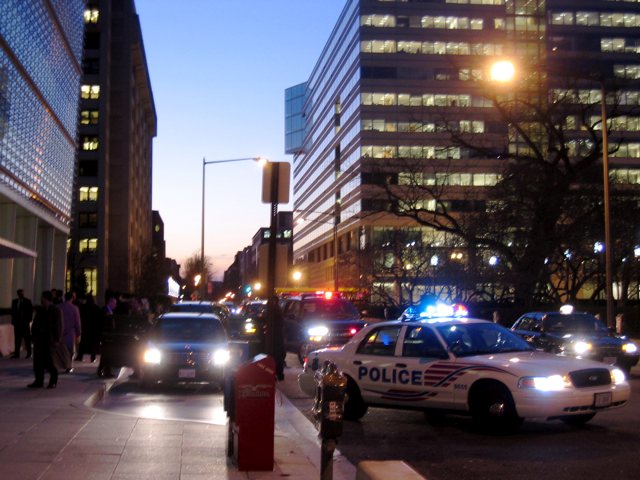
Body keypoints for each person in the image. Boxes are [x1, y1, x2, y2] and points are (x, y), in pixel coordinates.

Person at [28, 291, 63, 389]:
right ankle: (38, 381)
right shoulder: (41, 310)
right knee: (38, 362)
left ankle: (53, 381)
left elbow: (59, 325)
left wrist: (57, 339)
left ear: (45, 298)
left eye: (42, 297)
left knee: (49, 361)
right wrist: (33, 335)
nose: (40, 299)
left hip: (50, 340)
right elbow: (35, 324)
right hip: (39, 340)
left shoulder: (56, 310)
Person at [59, 291, 82, 372]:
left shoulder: (59, 307)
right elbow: (77, 322)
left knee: (61, 349)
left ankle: (60, 364)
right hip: (70, 333)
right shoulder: (75, 308)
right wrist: (79, 333)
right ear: (72, 298)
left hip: (60, 332)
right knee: (70, 351)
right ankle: (69, 366)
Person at [97, 296, 117, 378]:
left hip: (108, 336)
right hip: (106, 336)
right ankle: (105, 371)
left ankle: (103, 370)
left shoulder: (109, 310)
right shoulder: (105, 310)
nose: (115, 305)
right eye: (114, 303)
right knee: (107, 354)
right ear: (110, 302)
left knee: (106, 355)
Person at [77, 294, 101, 362]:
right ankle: (92, 357)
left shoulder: (83, 307)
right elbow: (99, 319)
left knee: (83, 343)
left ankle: (80, 356)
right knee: (93, 344)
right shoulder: (96, 308)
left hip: (85, 328)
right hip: (93, 329)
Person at [11, 289, 33, 359]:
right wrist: (13, 321)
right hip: (17, 323)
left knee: (27, 339)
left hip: (25, 323)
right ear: (18, 294)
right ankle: (16, 354)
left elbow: (30, 311)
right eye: (20, 294)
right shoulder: (14, 302)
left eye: (22, 293)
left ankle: (29, 353)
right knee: (17, 339)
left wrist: (29, 320)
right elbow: (13, 312)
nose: (21, 295)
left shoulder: (27, 301)